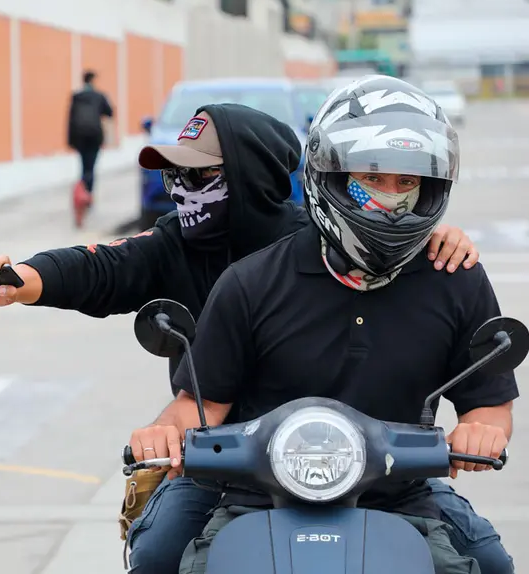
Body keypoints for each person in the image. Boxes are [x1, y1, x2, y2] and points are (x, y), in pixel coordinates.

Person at [0, 103, 494, 573]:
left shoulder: (332, 243)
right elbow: (100, 268)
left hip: (378, 471)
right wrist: (19, 280)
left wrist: (428, 238)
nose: (179, 189)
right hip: (231, 470)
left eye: (199, 174)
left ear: (249, 174)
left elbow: (386, 231)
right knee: (160, 554)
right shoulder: (189, 250)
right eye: (176, 175)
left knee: (489, 562)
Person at [128, 76, 517, 574]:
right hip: (254, 494)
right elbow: (197, 409)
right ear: (328, 176)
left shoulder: (455, 278)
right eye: (371, 179)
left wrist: (479, 431)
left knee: (493, 565)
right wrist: (160, 433)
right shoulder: (251, 282)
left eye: (407, 183)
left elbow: (489, 404)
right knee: (157, 557)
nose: (390, 198)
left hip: (396, 495)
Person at [67, 70, 115, 227]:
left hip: (80, 138)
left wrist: (71, 141)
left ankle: (81, 194)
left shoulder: (76, 96)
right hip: (94, 136)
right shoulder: (99, 96)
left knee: (83, 167)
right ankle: (88, 198)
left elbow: (70, 119)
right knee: (91, 168)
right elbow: (110, 112)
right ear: (93, 80)